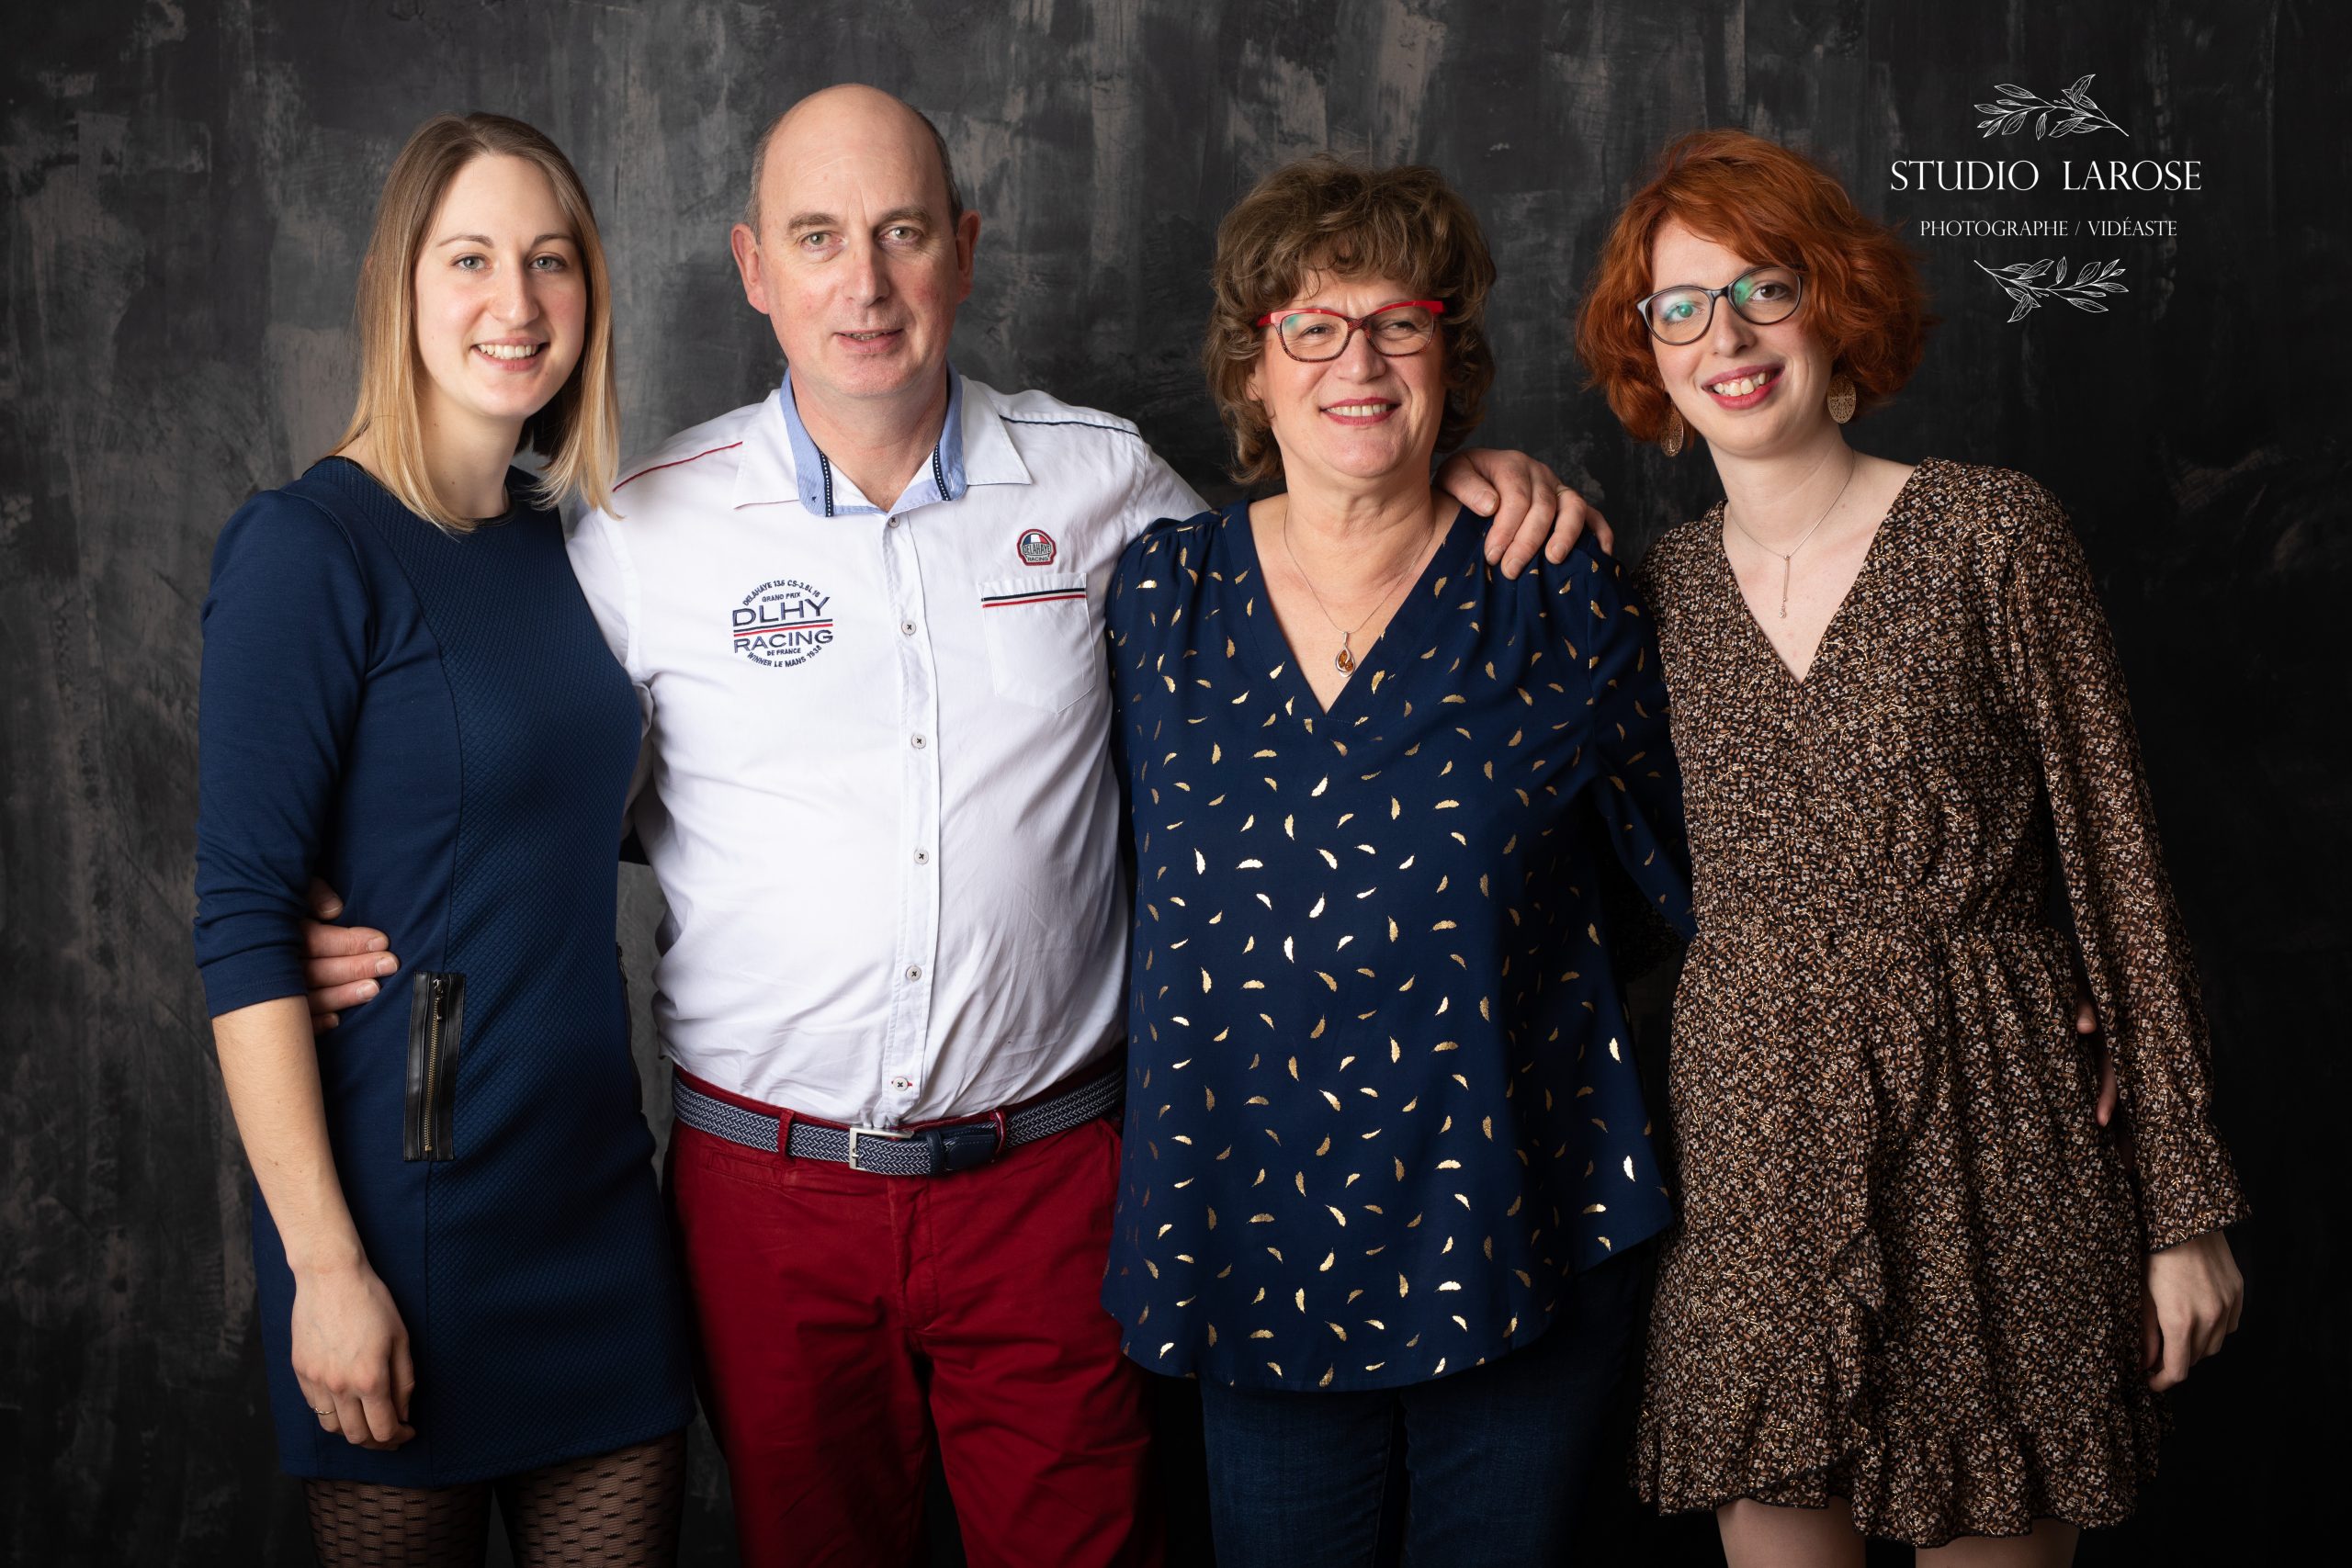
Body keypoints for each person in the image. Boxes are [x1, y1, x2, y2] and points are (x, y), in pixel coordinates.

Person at [300, 85, 1597, 1568]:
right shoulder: (642, 527)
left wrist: (1466, 481)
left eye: (903, 233)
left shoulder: (1105, 485)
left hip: (1048, 1183)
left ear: (964, 253)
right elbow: (498, 758)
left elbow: (1316, 552)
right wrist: (333, 886)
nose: (864, 282)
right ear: (752, 267)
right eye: (819, 238)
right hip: (764, 1196)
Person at [1570, 128, 2248, 1564]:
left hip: (2000, 1135)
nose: (1726, 337)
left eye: (1764, 288)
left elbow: (2118, 860)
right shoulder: (1653, 593)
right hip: (1758, 1148)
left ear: (1836, 304)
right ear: (1650, 355)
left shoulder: (1990, 534)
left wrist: (2181, 1207)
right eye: (1678, 308)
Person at [1101, 155, 1692, 1566]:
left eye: (1400, 322)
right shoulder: (1154, 601)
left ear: (1451, 355)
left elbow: (1702, 887)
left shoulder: (1556, 587)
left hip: (1516, 1229)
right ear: (1253, 368)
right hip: (1254, 1243)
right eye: (1312, 324)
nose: (1356, 360)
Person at [193, 114, 695, 1565]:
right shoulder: (309, 547)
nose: (516, 303)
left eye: (550, 261)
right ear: (397, 285)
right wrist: (326, 1266)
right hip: (407, 1224)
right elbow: (240, 919)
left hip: (597, 1205)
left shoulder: (575, 548)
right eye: (469, 258)